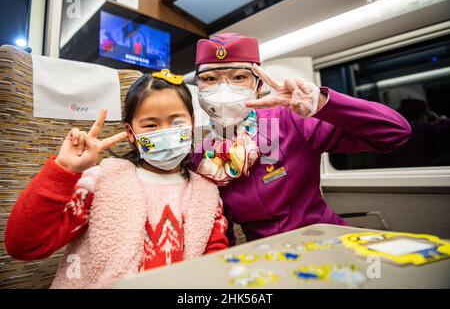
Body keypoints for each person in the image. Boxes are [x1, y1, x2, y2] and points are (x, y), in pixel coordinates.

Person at [5, 69, 228, 288]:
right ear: (131, 133)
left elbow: (214, 264)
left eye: (177, 122)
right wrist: (63, 170)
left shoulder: (206, 193)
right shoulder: (102, 182)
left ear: (192, 122)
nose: (165, 132)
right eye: (151, 125)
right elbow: (25, 245)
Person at [192, 33, 412, 243]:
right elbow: (216, 222)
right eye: (209, 78)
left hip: (325, 239)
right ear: (198, 88)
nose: (223, 89)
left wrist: (324, 104)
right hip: (261, 255)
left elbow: (395, 133)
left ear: (259, 86)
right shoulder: (200, 148)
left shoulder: (290, 118)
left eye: (239, 77)